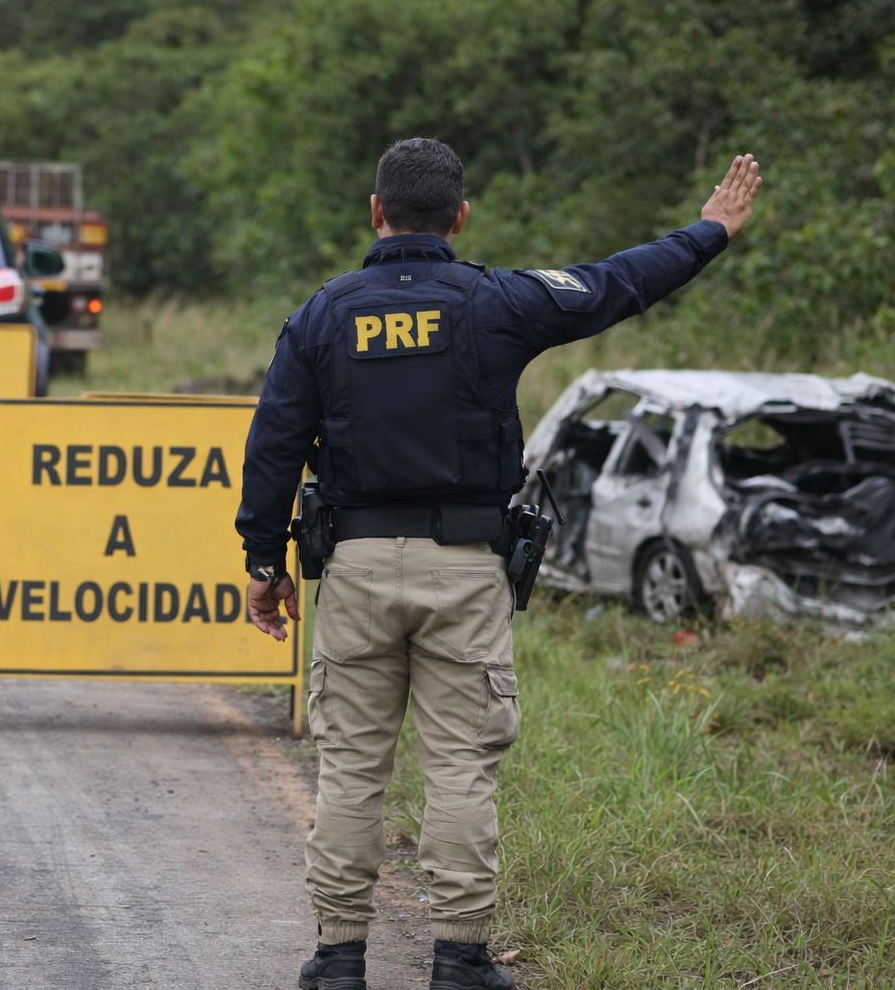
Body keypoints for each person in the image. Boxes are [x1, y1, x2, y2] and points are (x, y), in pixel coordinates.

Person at [235, 139, 762, 990]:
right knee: (458, 768)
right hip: (464, 573)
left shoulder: (324, 314)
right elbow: (617, 282)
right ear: (461, 218)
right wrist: (709, 230)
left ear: (376, 214)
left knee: (351, 769)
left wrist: (265, 558)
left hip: (359, 573)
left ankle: (337, 960)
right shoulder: (497, 301)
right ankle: (459, 960)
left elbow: (274, 444)